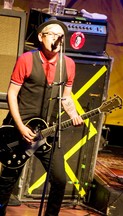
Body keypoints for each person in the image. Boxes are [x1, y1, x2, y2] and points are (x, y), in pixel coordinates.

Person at [0, 17, 83, 216]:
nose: (56, 38)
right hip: (21, 129)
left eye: (60, 36)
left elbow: (66, 98)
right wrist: (20, 126)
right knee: (8, 179)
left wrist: (73, 114)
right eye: (52, 34)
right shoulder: (27, 59)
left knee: (60, 179)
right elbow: (12, 94)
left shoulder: (68, 64)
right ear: (41, 37)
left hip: (47, 131)